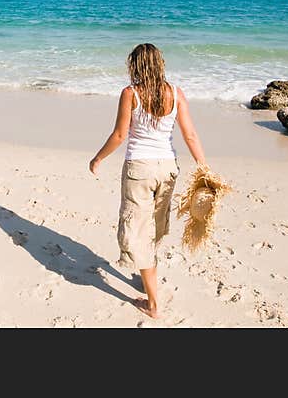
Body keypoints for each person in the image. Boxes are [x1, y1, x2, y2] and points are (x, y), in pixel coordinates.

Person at [88, 43, 207, 318]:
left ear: (135, 65)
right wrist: (204, 168)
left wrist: (98, 159)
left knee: (140, 232)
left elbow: (120, 135)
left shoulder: (131, 94)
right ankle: (147, 277)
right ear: (160, 63)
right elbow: (190, 135)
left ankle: (153, 304)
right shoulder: (176, 94)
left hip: (139, 169)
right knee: (153, 226)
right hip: (168, 168)